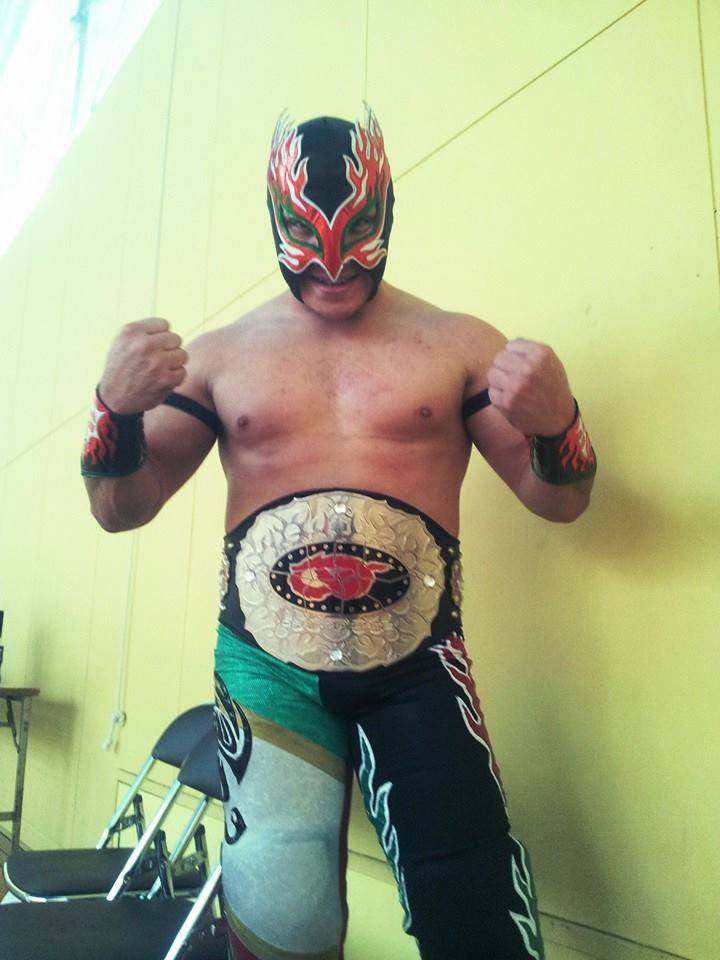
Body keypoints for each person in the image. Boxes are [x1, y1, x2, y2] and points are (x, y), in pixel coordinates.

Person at [82, 108, 596, 960]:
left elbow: (560, 501)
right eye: (304, 236)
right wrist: (113, 414)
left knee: (474, 908)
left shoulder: (459, 343)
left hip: (421, 665)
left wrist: (559, 424)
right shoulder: (219, 357)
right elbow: (119, 507)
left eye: (357, 233)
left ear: (388, 208)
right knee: (279, 920)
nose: (331, 264)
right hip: (267, 672)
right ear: (273, 217)